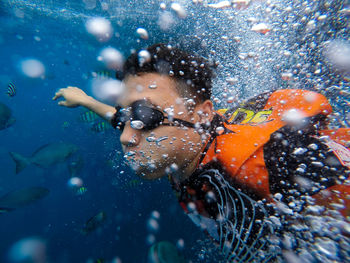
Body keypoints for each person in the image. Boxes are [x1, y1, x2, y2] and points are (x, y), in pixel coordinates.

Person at [53, 43, 350, 262]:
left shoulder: (270, 162)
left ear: (202, 115)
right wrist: (86, 100)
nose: (127, 137)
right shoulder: (181, 138)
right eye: (123, 119)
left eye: (144, 116)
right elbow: (132, 118)